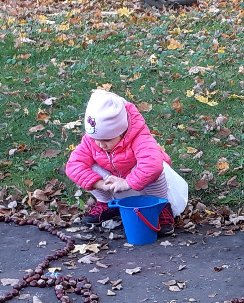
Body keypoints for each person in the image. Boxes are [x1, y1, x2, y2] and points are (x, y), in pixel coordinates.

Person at [65, 89, 187, 235]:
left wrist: (127, 183)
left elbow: (152, 165)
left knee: (154, 166)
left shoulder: (138, 137)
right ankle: (106, 204)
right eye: (96, 140)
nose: (100, 145)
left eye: (107, 140)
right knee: (89, 166)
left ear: (121, 132)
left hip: (146, 184)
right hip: (115, 186)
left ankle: (160, 207)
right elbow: (74, 165)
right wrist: (100, 184)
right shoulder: (92, 141)